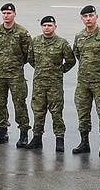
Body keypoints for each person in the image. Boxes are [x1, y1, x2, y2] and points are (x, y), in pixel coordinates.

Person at [26, 15, 76, 152]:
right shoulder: (35, 41)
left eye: (49, 25)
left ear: (55, 27)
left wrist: (60, 71)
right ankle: (37, 138)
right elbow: (30, 59)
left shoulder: (62, 43)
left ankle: (59, 139)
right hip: (39, 84)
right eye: (44, 25)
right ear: (41, 27)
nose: (47, 28)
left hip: (55, 85)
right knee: (38, 111)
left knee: (56, 112)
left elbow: (71, 60)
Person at [72, 6, 100, 156]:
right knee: (83, 113)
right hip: (83, 83)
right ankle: (84, 142)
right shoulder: (79, 36)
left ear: (96, 16)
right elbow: (77, 54)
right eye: (85, 16)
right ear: (82, 19)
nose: (88, 18)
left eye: (91, 15)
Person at [0, 2, 32, 148]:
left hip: (15, 75)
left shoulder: (22, 32)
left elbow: (28, 54)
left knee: (19, 104)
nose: (6, 16)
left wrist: (16, 64)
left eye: (9, 13)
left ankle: (24, 133)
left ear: (14, 14)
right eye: (4, 13)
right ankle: (1, 132)